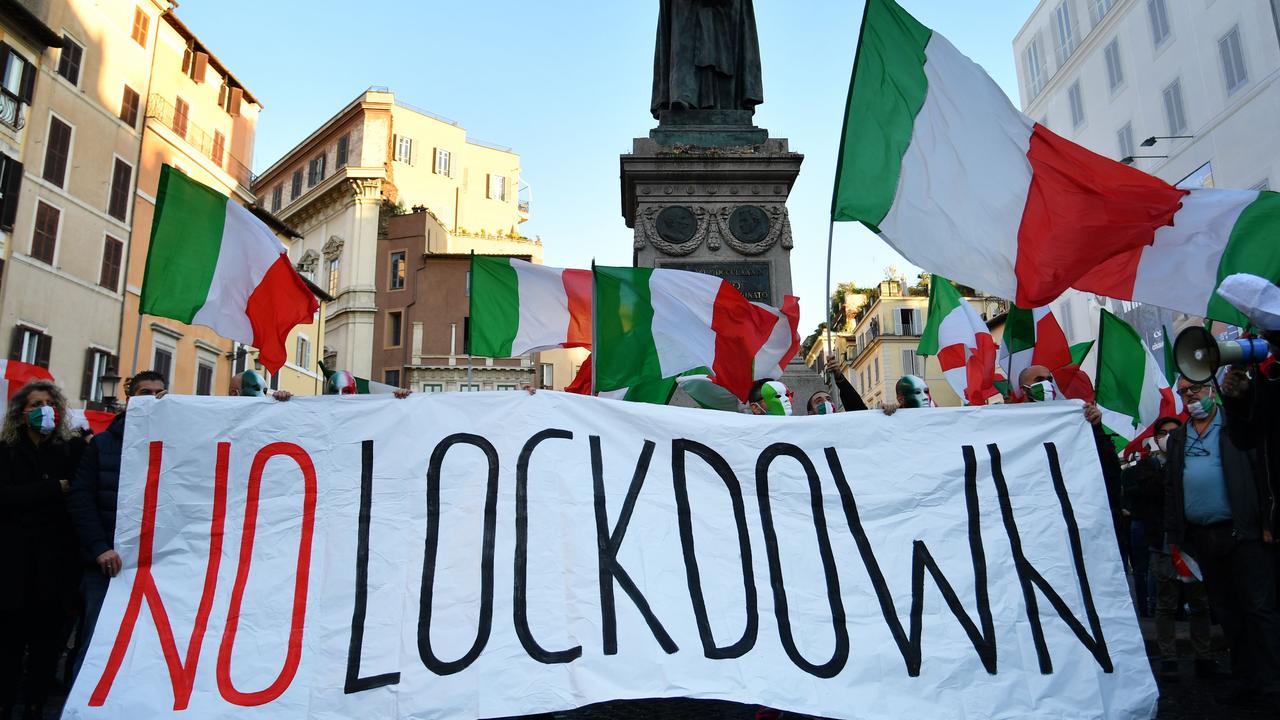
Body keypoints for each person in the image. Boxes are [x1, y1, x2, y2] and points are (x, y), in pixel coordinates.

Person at [1164, 375, 1280, 704]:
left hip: (1244, 532)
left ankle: (1271, 679)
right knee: (1227, 611)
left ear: (1211, 390)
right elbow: (1172, 488)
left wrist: (1268, 521)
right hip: (1203, 538)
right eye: (1184, 392)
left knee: (1259, 609)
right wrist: (1176, 536)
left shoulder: (1236, 426)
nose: (1190, 396)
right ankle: (1245, 678)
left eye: (1196, 389)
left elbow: (1263, 473)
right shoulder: (1178, 438)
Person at [66, 370, 168, 680]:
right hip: (107, 567)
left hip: (158, 568)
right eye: (144, 393)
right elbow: (81, 500)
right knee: (97, 644)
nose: (152, 399)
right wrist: (100, 549)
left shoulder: (179, 440)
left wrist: (275, 405)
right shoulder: (103, 444)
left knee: (149, 646)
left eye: (159, 393)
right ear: (129, 400)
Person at [1, 381, 85, 719]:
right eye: (36, 403)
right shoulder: (5, 451)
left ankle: (35, 704)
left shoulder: (70, 450)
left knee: (46, 646)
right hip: (12, 566)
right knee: (8, 644)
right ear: (23, 413)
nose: (44, 408)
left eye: (50, 402)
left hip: (55, 569)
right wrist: (53, 488)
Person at [1137, 416, 1215, 681]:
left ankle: (1203, 656)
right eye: (1163, 433)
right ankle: (1168, 658)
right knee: (1165, 603)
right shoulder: (1147, 467)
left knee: (1199, 603)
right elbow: (1150, 497)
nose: (1169, 437)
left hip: (1191, 544)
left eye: (1174, 432)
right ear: (1156, 437)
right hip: (1162, 545)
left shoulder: (1191, 462)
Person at [1018, 364, 1126, 555]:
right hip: (1043, 529)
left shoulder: (1076, 419)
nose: (1047, 384)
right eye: (1039, 380)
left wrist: (1096, 428)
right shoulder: (1015, 427)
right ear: (1023, 389)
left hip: (1084, 522)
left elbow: (1109, 470)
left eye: (1049, 379)